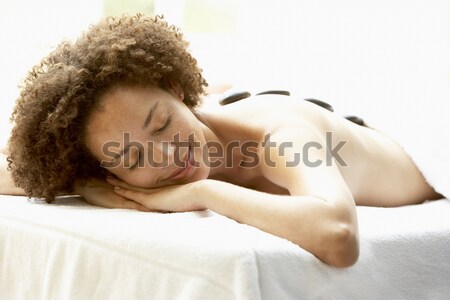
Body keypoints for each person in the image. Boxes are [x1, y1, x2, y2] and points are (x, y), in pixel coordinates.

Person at [1, 14, 441, 268]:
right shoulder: (107, 165)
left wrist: (202, 191)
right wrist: (85, 185)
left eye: (162, 124)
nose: (168, 155)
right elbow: (16, 170)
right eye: (132, 156)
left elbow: (338, 236)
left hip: (403, 134)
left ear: (175, 90)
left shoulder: (275, 134)